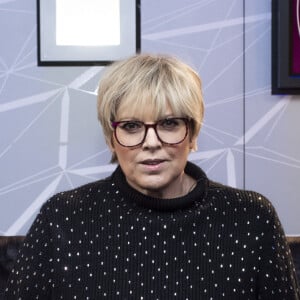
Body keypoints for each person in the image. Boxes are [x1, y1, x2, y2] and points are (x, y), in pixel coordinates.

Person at [5, 53, 299, 299]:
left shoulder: (250, 218)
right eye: (132, 126)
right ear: (111, 138)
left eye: (169, 123)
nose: (151, 142)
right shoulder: (62, 218)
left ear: (193, 133)